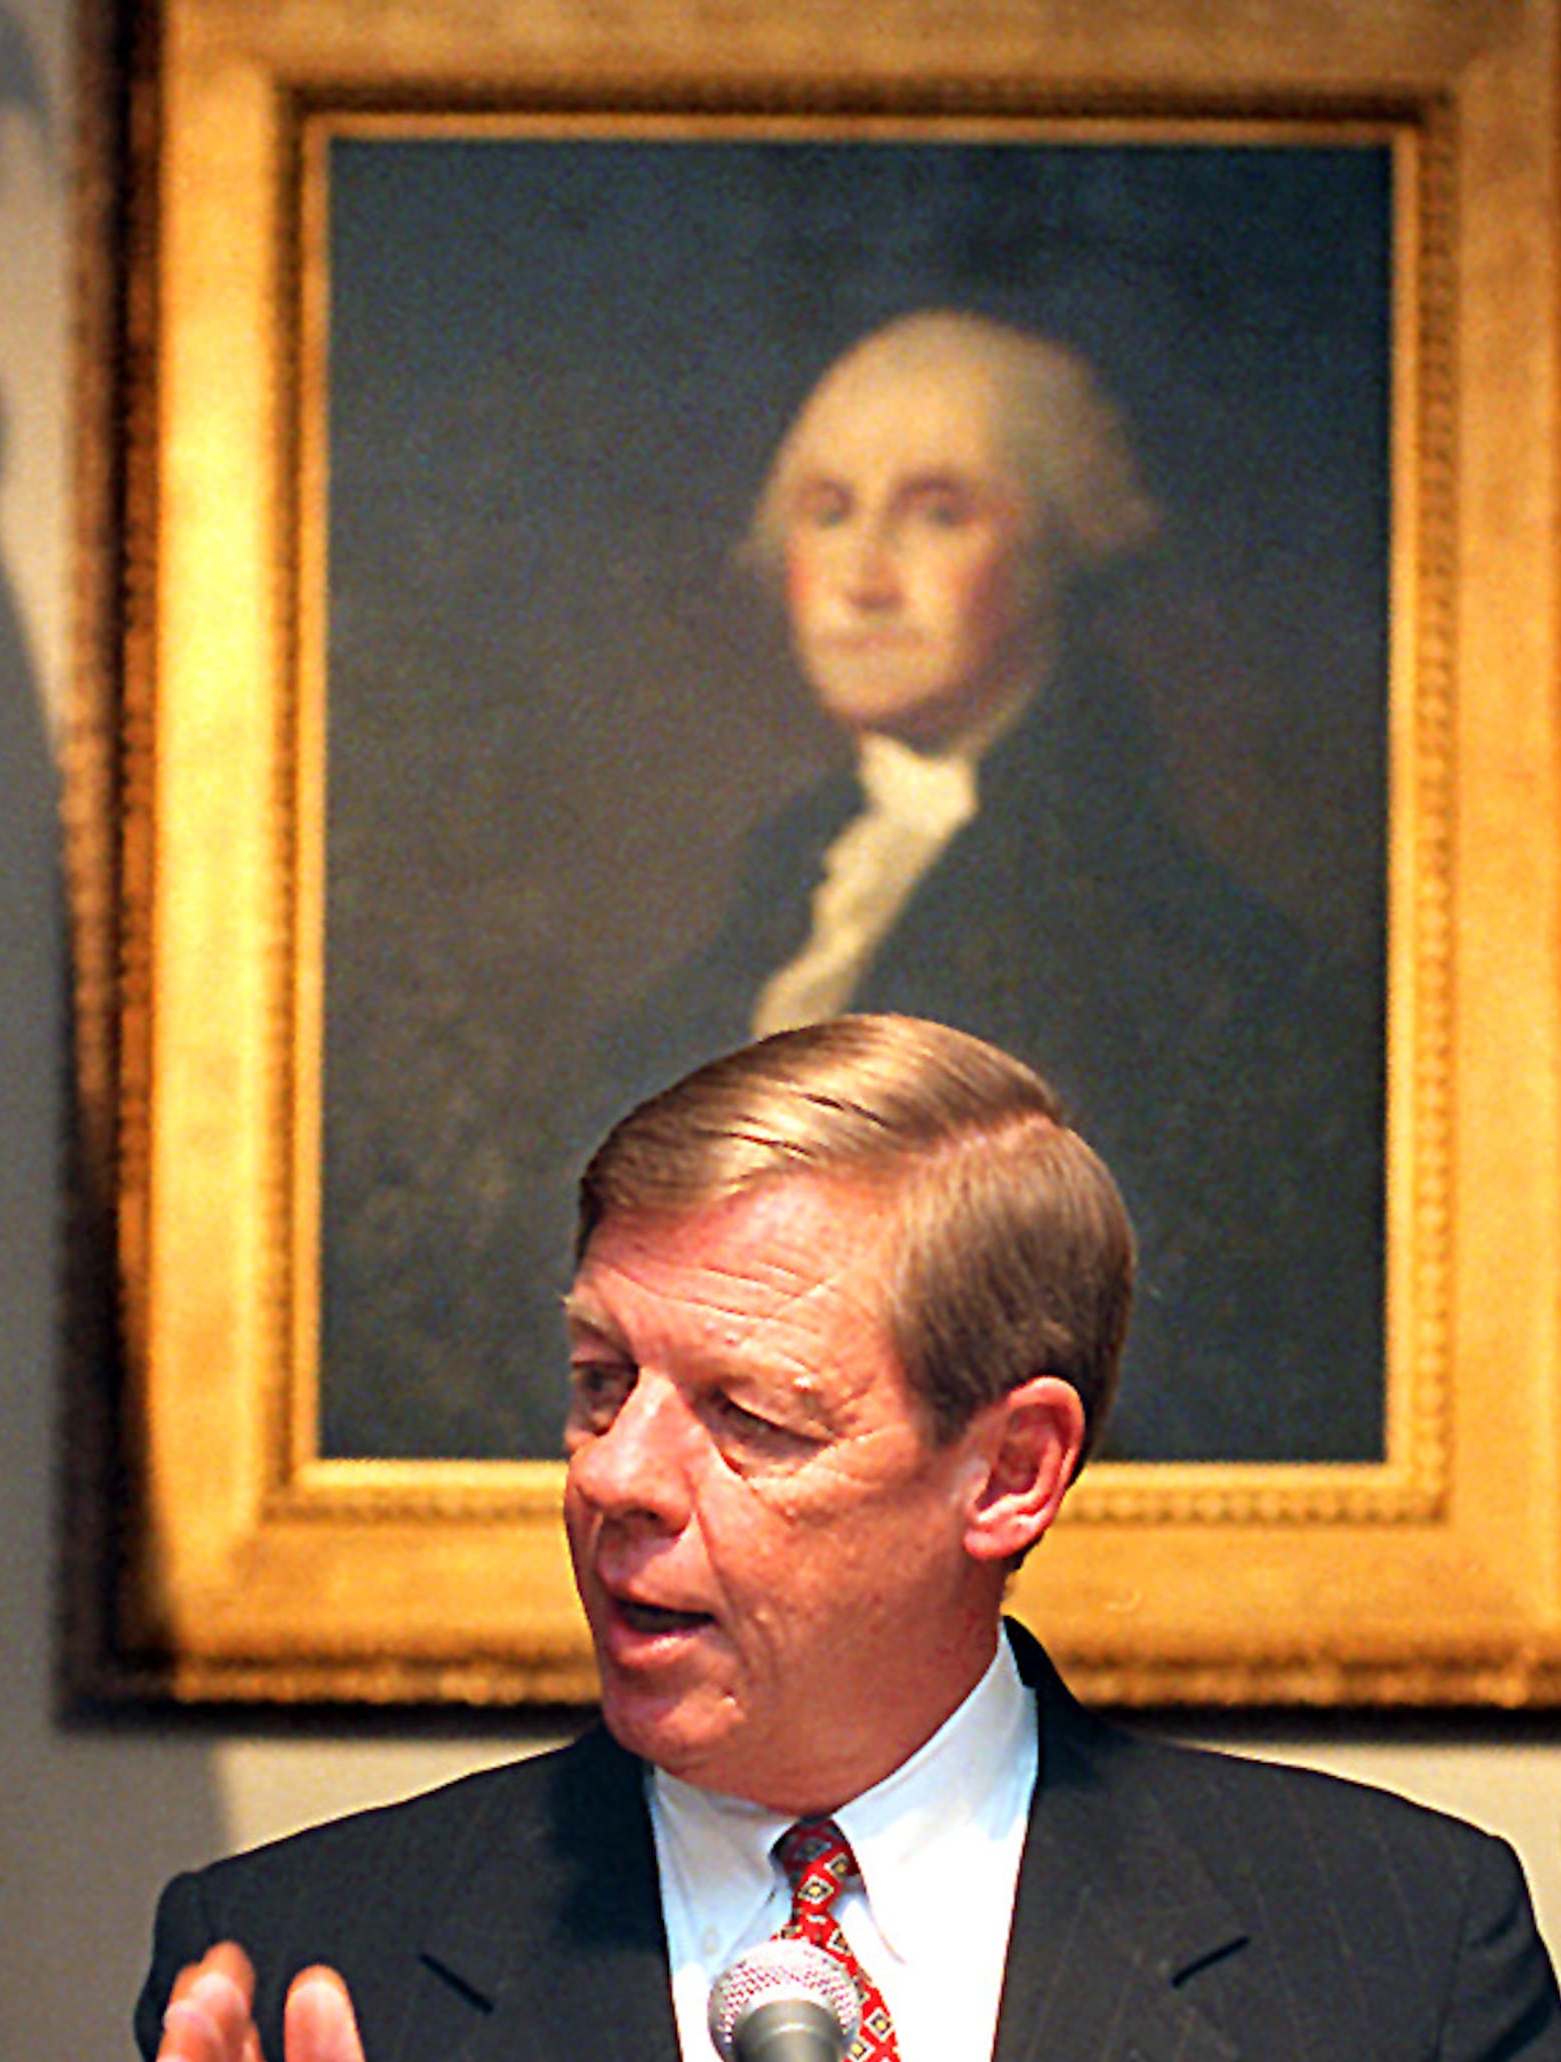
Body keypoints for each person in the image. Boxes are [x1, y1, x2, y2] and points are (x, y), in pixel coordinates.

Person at [129, 1015, 1561, 2062]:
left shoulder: (1395, 1956)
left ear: (1011, 1470)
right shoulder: (305, 1969)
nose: (615, 1475)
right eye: (599, 1382)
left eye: (749, 1415)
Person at [576, 308, 1383, 1466]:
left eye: (938, 514)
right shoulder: (791, 876)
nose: (861, 580)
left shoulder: (1176, 945)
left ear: (1057, 552)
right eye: (828, 511)